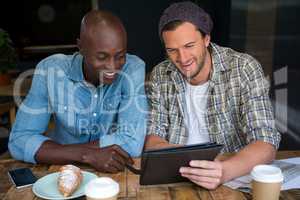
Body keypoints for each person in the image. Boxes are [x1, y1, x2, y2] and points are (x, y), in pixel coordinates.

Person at [145, 1, 281, 189]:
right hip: (178, 179)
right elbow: (153, 137)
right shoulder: (161, 74)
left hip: (232, 177)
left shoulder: (243, 68)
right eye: (172, 50)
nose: (182, 58)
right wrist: (181, 162)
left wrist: (224, 171)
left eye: (189, 45)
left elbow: (265, 142)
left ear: (206, 39)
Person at [8, 10, 148, 173]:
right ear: (81, 47)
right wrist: (86, 155)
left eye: (120, 56)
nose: (112, 67)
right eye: (102, 57)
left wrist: (60, 152)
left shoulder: (132, 68)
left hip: (112, 172)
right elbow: (19, 140)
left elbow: (133, 142)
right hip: (61, 171)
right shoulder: (50, 70)